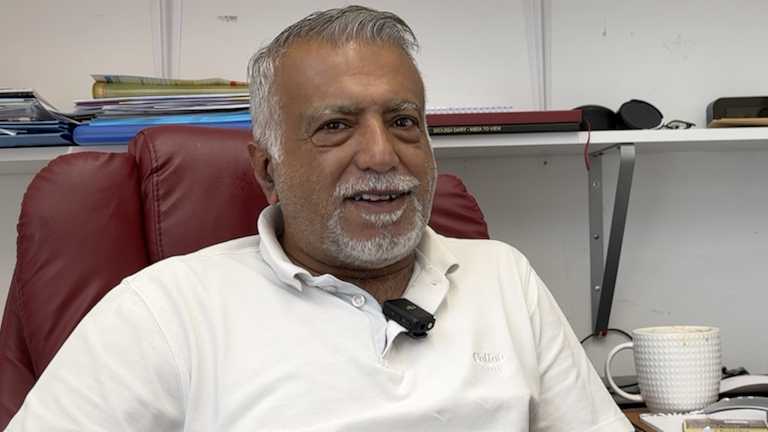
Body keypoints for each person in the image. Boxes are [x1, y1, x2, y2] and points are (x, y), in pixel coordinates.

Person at [4, 5, 633, 432]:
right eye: (335, 127)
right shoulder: (163, 312)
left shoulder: (505, 278)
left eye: (403, 121)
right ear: (268, 169)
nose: (383, 156)